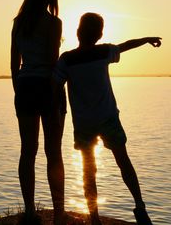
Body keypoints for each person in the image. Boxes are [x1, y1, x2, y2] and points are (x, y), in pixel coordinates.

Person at [53, 12, 162, 225]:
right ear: (100, 34)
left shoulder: (67, 59)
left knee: (88, 170)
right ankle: (140, 205)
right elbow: (126, 45)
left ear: (77, 32)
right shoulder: (103, 52)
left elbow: (54, 85)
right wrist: (147, 39)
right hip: (108, 118)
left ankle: (94, 218)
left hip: (84, 124)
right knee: (124, 162)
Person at [11, 0, 66, 225]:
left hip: (25, 88)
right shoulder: (54, 23)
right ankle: (57, 214)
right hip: (47, 87)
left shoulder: (18, 22)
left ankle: (31, 211)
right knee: (53, 152)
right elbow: (53, 61)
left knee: (27, 151)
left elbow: (14, 64)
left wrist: (19, 89)